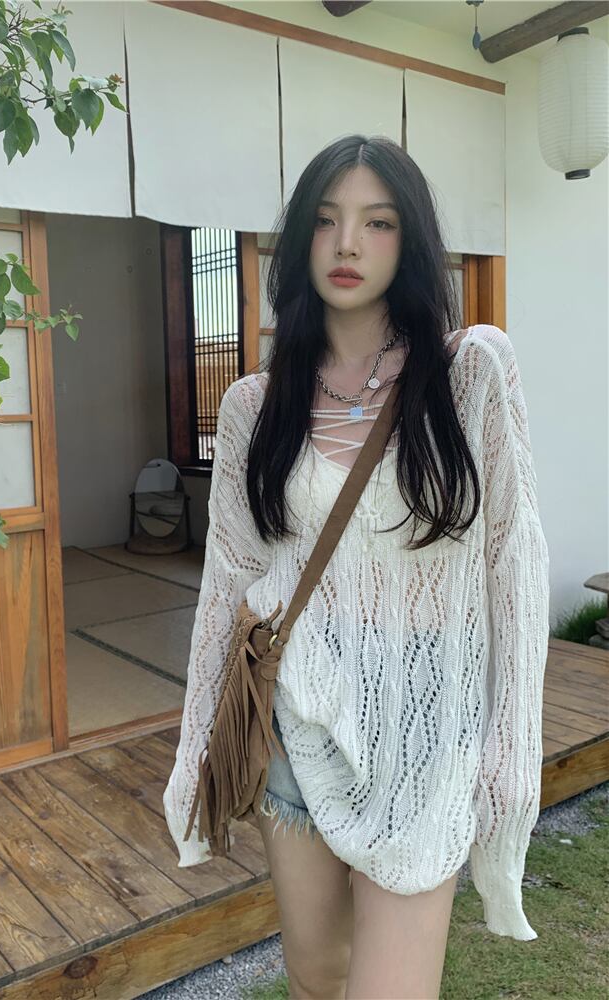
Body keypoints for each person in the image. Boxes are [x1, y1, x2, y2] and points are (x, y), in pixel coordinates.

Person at [162, 134, 550, 1000]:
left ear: (410, 242)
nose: (348, 244)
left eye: (378, 223)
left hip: (430, 734)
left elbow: (514, 565)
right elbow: (228, 581)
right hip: (298, 726)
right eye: (327, 221)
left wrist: (510, 750)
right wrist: (193, 754)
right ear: (300, 236)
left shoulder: (471, 373)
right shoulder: (254, 404)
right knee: (315, 976)